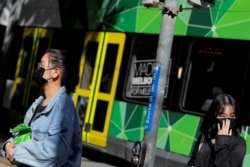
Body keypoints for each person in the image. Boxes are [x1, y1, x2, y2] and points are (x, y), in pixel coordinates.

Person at [1, 49, 82, 166]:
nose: (38, 69)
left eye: (42, 65)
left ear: (55, 72)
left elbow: (53, 152)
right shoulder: (38, 103)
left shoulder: (63, 107)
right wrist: (8, 145)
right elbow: (23, 135)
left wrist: (16, 152)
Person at [189, 94, 246, 167]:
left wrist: (222, 141)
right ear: (214, 116)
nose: (227, 120)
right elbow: (193, 162)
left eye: (232, 116)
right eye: (223, 116)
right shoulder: (205, 137)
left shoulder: (239, 143)